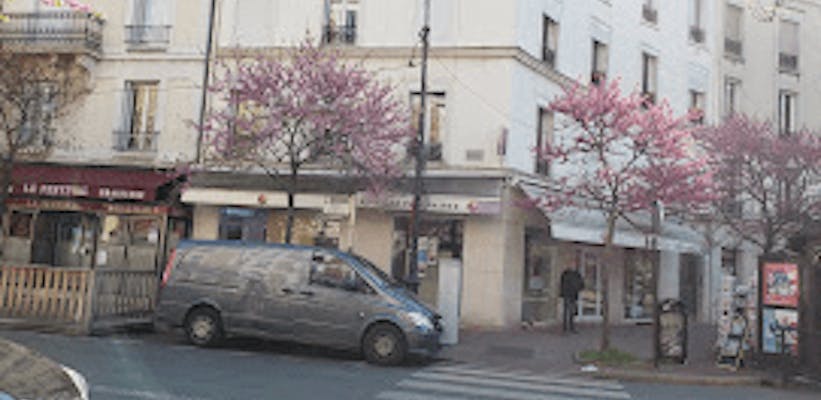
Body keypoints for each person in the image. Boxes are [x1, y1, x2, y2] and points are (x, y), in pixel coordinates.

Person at [560, 266, 585, 333]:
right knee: (568, 311)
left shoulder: (575, 274)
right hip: (568, 295)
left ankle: (570, 327)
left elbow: (581, 284)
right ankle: (567, 327)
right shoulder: (567, 274)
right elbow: (562, 284)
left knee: (571, 311)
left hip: (572, 295)